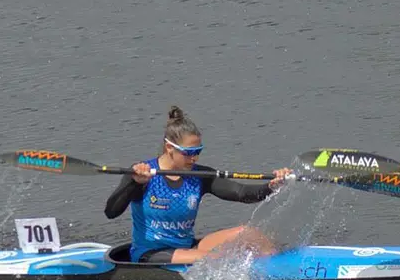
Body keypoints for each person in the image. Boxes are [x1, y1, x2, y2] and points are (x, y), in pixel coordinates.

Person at [104, 106, 290, 264]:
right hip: (150, 254)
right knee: (214, 259)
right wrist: (133, 184)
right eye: (189, 152)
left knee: (249, 233)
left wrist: (272, 186)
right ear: (169, 148)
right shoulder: (142, 174)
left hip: (187, 247)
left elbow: (241, 193)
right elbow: (111, 212)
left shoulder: (200, 175)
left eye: (198, 151)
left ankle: (281, 267)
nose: (194, 157)